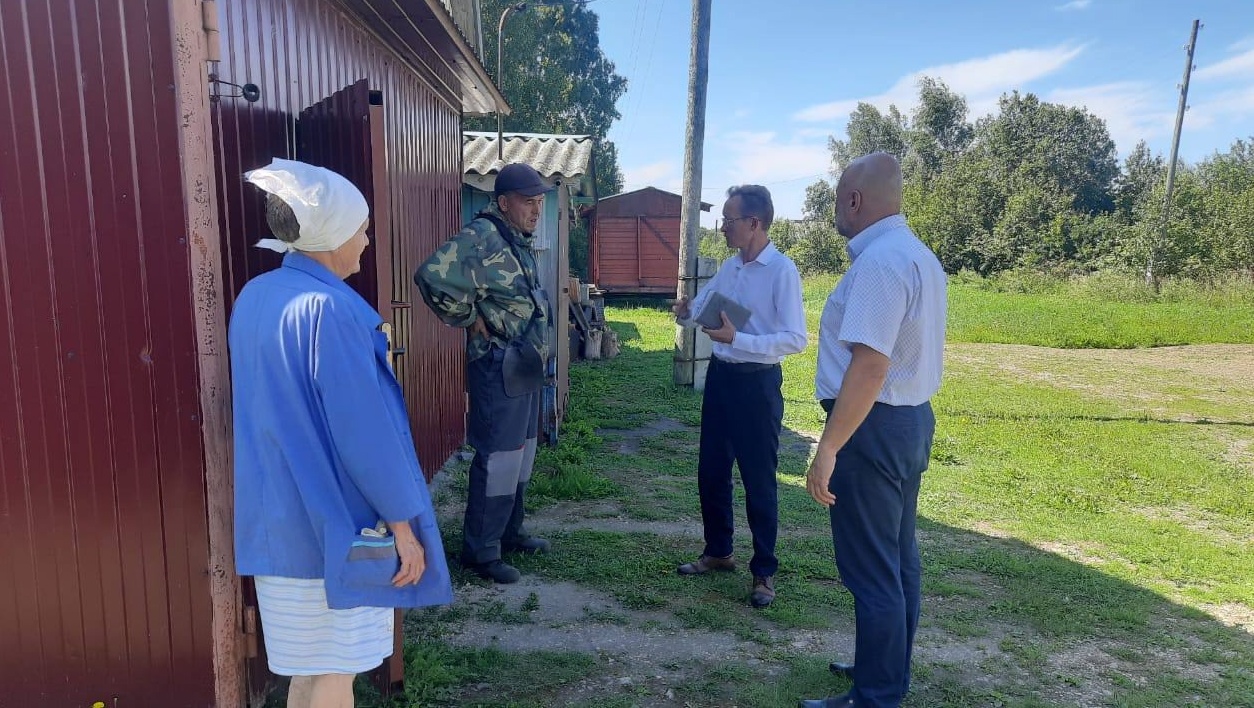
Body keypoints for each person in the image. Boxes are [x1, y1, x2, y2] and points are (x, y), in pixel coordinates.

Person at [230, 159, 452, 708]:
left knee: (308, 675)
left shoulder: (255, 297)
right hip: (334, 530)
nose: (366, 241)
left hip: (274, 530)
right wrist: (402, 527)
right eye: (362, 229)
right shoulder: (332, 311)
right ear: (332, 233)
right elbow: (364, 435)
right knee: (334, 676)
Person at [798, 153, 947, 708]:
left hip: (872, 426)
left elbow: (869, 366)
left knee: (873, 569)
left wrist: (828, 447)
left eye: (838, 198)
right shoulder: (917, 254)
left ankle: (877, 694)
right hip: (907, 421)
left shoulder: (880, 263)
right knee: (898, 558)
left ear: (855, 200)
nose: (835, 209)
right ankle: (886, 670)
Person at [415, 162, 554, 585]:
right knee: (498, 458)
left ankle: (509, 531)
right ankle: (481, 550)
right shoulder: (482, 235)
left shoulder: (516, 238)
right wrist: (468, 317)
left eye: (539, 202)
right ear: (504, 202)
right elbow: (431, 276)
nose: (536, 210)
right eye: (528, 202)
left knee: (522, 454)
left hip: (525, 362)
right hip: (498, 364)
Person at [673, 184, 807, 608]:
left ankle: (764, 571)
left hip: (757, 384)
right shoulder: (731, 267)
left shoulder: (781, 271)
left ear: (754, 223)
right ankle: (719, 551)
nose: (723, 228)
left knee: (758, 478)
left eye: (729, 220)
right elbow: (704, 309)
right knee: (711, 470)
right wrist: (687, 312)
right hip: (722, 379)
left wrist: (739, 340)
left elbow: (796, 338)